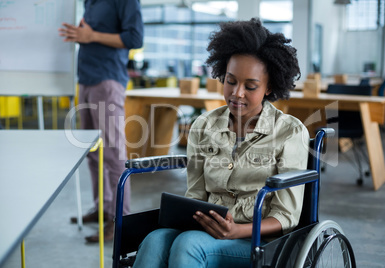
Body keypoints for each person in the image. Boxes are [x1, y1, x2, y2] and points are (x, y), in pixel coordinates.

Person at [132, 18, 310, 267]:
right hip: (207, 230)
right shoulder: (204, 126)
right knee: (155, 240)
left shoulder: (289, 132)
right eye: (231, 81)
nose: (237, 93)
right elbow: (195, 195)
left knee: (189, 245)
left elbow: (286, 216)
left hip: (259, 240)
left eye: (251, 86)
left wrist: (237, 231)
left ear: (269, 87)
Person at [58, 0, 144, 243]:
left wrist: (91, 35)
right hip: (85, 79)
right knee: (92, 153)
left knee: (114, 154)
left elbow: (135, 38)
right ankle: (103, 208)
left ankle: (119, 222)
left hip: (107, 81)